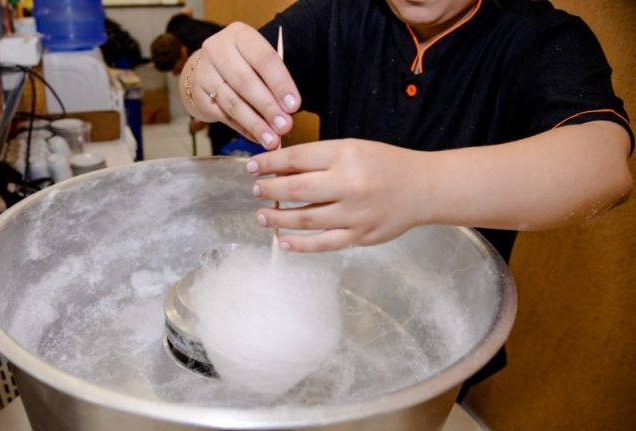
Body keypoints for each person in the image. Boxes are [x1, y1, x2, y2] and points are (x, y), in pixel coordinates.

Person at [178, 0, 633, 396]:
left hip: (443, 344)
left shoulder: (538, 37)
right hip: (327, 309)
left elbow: (603, 166)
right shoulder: (335, 14)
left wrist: (417, 186)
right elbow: (200, 86)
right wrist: (201, 76)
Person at [151, 8, 238, 155]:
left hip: (234, 53)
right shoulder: (174, 25)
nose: (175, 74)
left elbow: (220, 94)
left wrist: (201, 122)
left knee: (220, 130)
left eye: (176, 68)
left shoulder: (205, 56)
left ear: (184, 52)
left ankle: (223, 159)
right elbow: (187, 11)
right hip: (221, 46)